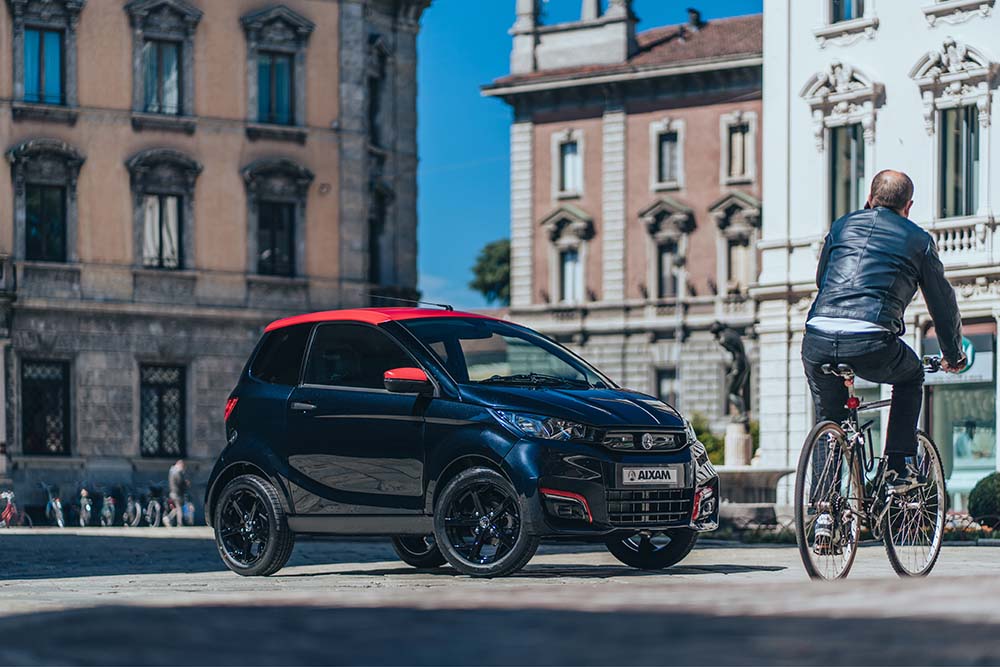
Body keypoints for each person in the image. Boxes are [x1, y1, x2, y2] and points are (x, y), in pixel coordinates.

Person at [803, 170, 967, 496]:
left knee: (829, 418)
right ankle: (897, 466)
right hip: (871, 339)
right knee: (910, 376)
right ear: (909, 206)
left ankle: (822, 513)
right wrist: (953, 355)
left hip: (818, 336)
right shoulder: (918, 240)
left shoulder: (841, 225)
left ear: (869, 199)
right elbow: (942, 304)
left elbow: (823, 280)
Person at [167, 459, 189, 527]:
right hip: (177, 493)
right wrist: (186, 483)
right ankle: (179, 523)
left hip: (173, 492)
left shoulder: (172, 471)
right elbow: (180, 482)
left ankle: (167, 518)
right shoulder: (177, 472)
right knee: (179, 508)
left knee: (176, 508)